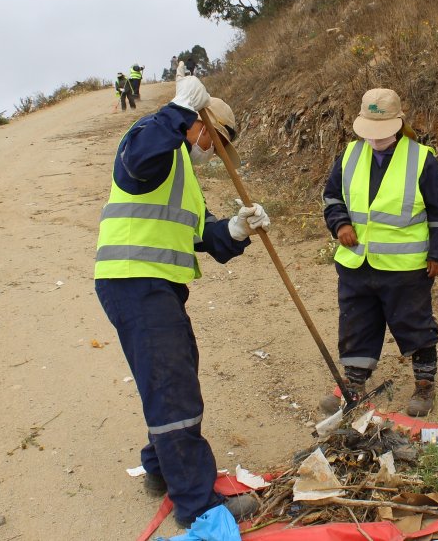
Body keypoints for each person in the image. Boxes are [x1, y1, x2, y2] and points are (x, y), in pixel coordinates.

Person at [94, 76, 267, 536]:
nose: (216, 151)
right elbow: (135, 164)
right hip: (133, 280)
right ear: (203, 125)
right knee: (172, 389)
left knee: (176, 374)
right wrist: (178, 109)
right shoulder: (152, 139)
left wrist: (236, 229)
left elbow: (199, 233)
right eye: (218, 140)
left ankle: (158, 467)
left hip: (157, 286)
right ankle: (196, 504)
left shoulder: (182, 170)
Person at [319, 88, 438, 417]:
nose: (375, 140)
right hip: (356, 263)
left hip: (405, 269)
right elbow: (332, 197)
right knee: (356, 325)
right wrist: (340, 225)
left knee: (414, 325)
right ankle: (354, 384)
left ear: (398, 125)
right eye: (370, 134)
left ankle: (424, 384)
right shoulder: (350, 155)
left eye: (382, 134)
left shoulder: (422, 159)